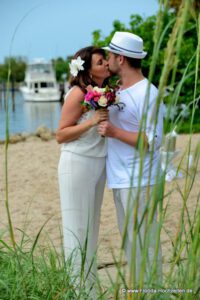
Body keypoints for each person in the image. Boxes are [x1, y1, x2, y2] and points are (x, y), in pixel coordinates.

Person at [97, 32, 164, 284]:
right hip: (120, 179)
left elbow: (153, 141)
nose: (107, 60)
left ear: (121, 58)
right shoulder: (116, 90)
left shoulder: (148, 93)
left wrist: (113, 131)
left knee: (146, 248)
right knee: (131, 249)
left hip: (141, 181)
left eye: (110, 55)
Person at [56, 46, 110, 297]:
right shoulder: (78, 94)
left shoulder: (106, 92)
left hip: (97, 164)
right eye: (101, 62)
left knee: (91, 228)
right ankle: (78, 292)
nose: (107, 64)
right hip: (76, 163)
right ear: (87, 69)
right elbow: (61, 134)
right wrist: (91, 121)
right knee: (77, 230)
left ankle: (89, 289)